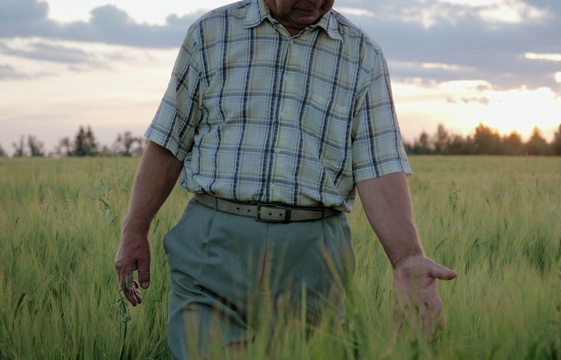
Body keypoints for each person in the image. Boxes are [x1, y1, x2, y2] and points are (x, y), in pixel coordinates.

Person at [114, 0, 457, 357]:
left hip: (312, 262)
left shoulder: (362, 54)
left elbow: (379, 165)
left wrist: (406, 258)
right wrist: (135, 227)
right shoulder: (210, 33)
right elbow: (170, 140)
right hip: (211, 250)